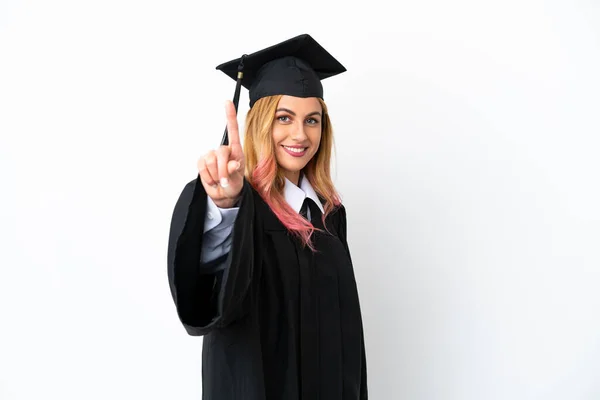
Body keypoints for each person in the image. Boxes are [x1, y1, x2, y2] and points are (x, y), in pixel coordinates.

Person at [167, 34, 368, 400]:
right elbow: (207, 288)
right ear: (259, 122)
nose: (299, 134)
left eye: (312, 120)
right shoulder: (244, 210)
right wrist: (226, 207)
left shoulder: (329, 215)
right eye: (283, 118)